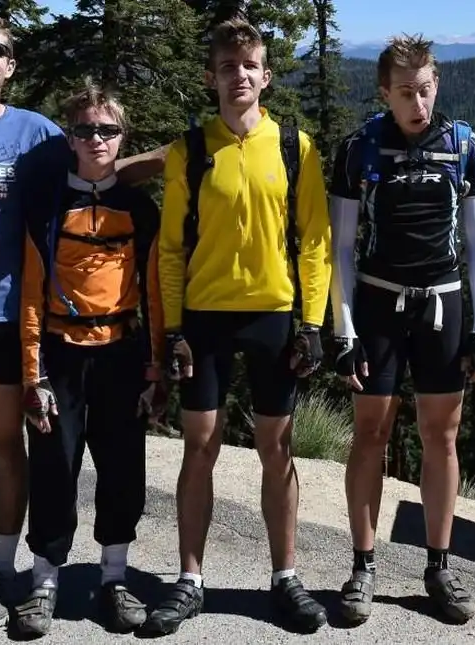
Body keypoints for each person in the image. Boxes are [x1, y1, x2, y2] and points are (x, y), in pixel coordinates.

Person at [0, 12, 164, 637]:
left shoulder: (38, 133)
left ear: (11, 65)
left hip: (10, 317)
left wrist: (174, 156)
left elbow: (95, 165)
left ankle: (2, 575)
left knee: (8, 450)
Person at [141, 18, 332, 636]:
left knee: (278, 449)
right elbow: (172, 250)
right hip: (205, 319)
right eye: (228, 66)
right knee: (200, 447)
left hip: (274, 316)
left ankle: (285, 577)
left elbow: (315, 244)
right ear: (212, 77)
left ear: (266, 76)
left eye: (250, 65)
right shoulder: (190, 151)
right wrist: (173, 331)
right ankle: (189, 579)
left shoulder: (295, 147)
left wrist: (312, 322)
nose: (239, 75)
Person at [328, 34, 475, 626]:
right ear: (385, 93)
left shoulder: (464, 146)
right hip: (377, 304)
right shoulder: (358, 149)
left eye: (425, 90)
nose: (417, 103)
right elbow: (341, 246)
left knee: (441, 437)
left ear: (436, 84)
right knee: (369, 435)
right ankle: (363, 565)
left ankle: (439, 566)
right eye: (405, 92)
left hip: (442, 306)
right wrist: (343, 329)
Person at [13, 80, 165, 638]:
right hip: (59, 352)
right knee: (54, 465)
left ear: (122, 137)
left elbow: (154, 293)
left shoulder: (140, 209)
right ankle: (43, 583)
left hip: (122, 353)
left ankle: (114, 579)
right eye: (84, 130)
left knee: (123, 467)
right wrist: (32, 373)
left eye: (107, 130)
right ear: (71, 139)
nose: (96, 139)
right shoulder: (45, 207)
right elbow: (31, 294)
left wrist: (156, 368)